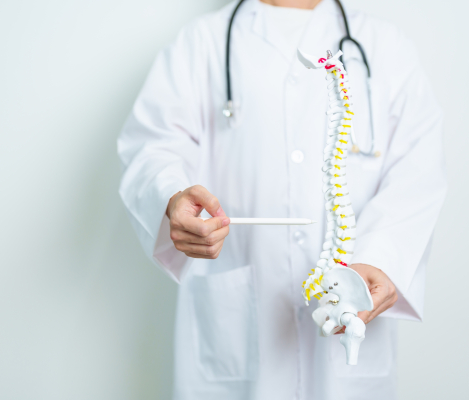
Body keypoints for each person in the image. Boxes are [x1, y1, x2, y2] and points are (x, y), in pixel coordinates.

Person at [118, 0, 447, 398]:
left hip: (349, 327)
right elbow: (153, 148)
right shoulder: (201, 42)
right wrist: (171, 198)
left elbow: (418, 172)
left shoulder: (386, 46)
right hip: (235, 331)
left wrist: (381, 258)